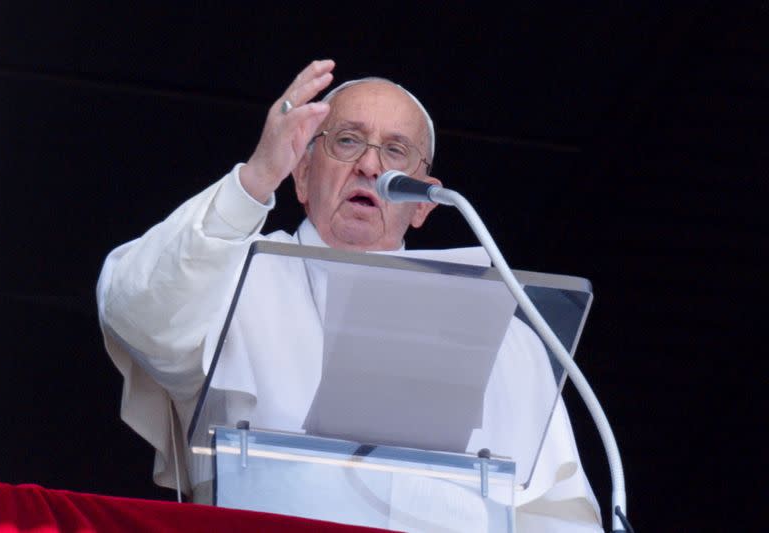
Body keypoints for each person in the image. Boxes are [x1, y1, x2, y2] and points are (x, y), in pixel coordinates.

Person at [97, 59, 603, 532]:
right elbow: (137, 310)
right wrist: (254, 179)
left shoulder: (505, 340)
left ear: (424, 202)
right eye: (346, 141)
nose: (369, 166)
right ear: (300, 174)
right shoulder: (233, 280)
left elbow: (559, 513)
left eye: (395, 151)